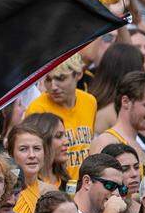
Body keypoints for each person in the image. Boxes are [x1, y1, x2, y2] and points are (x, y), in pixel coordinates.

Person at [26, 55, 97, 183]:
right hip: (53, 187)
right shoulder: (37, 109)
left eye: (60, 78)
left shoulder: (89, 102)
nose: (53, 87)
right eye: (48, 79)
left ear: (78, 74)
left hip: (83, 186)